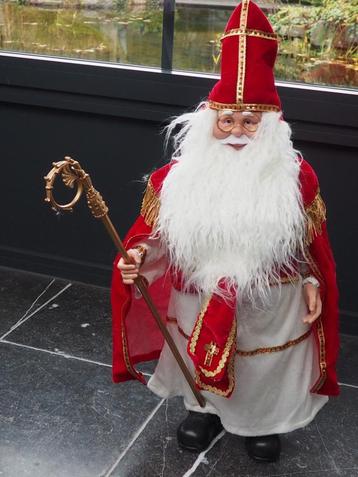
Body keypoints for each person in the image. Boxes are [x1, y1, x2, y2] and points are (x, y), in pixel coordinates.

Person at [111, 0, 339, 463]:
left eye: (250, 122)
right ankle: (203, 410)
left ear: (269, 125)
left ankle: (262, 423)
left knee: (263, 365)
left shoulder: (297, 177)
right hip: (198, 293)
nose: (237, 131)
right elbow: (157, 235)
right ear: (209, 120)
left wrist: (314, 283)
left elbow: (310, 244)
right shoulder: (175, 176)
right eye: (228, 120)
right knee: (196, 352)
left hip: (269, 301)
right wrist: (138, 256)